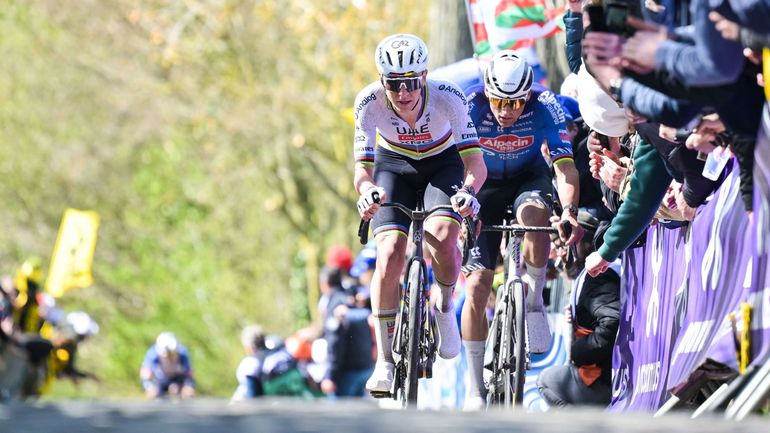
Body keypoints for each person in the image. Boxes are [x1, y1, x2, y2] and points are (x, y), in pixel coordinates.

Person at [353, 33, 488, 395]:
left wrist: (468, 192)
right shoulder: (368, 102)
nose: (403, 92)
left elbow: (475, 162)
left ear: (425, 75)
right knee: (389, 254)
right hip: (392, 166)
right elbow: (362, 171)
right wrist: (366, 194)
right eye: (394, 84)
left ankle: (443, 306)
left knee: (443, 237)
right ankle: (384, 360)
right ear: (383, 81)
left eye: (411, 82)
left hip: (441, 164)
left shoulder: (449, 97)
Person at [460, 50, 583, 410]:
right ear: (487, 92)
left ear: (528, 95)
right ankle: (474, 385)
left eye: (515, 102)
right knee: (477, 286)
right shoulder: (470, 105)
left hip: (528, 179)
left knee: (534, 215)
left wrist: (570, 212)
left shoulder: (546, 104)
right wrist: (461, 206)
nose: (506, 110)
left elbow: (565, 169)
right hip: (483, 186)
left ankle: (532, 299)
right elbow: (454, 167)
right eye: (499, 100)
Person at [537, 213, 620, 408]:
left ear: (584, 243)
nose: (560, 252)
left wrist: (579, 351)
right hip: (599, 374)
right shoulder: (588, 275)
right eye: (558, 246)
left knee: (547, 380)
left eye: (564, 244)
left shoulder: (599, 276)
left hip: (603, 380)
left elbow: (612, 321)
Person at [231, 325, 318, 400]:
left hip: (275, 402)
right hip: (302, 395)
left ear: (249, 347)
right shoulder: (283, 352)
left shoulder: (251, 363)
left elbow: (252, 395)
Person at [140, 331, 196, 399]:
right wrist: (149, 387)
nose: (169, 357)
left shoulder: (182, 352)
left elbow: (189, 373)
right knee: (153, 393)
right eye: (166, 354)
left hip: (177, 378)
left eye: (172, 354)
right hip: (160, 379)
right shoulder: (152, 353)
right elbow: (145, 374)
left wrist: (188, 386)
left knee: (187, 393)